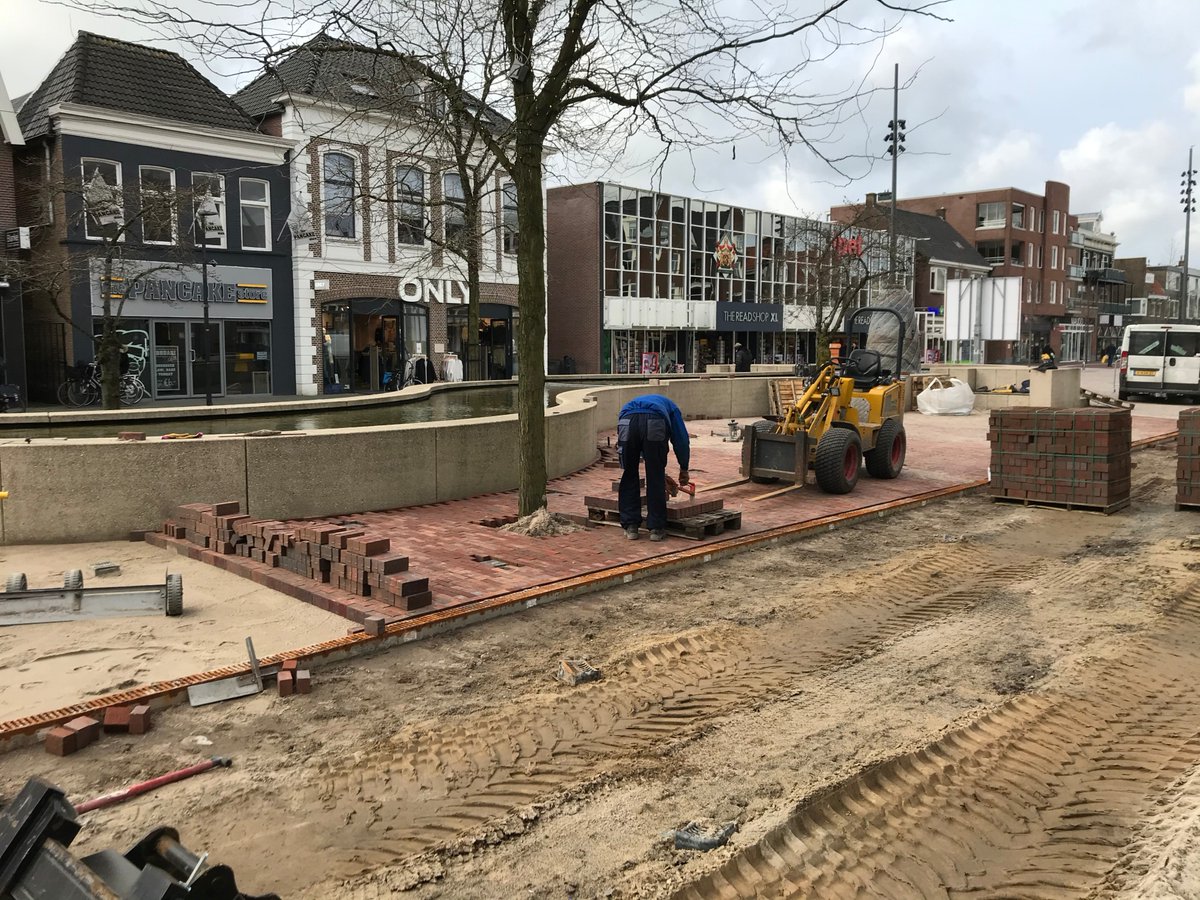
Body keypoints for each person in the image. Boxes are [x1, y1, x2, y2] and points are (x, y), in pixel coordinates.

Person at [617, 394, 690, 542]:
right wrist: (684, 468)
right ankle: (656, 529)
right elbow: (681, 440)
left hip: (626, 420)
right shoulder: (672, 408)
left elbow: (635, 437)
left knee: (629, 473)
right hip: (655, 420)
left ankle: (631, 527)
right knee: (655, 476)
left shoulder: (634, 402)